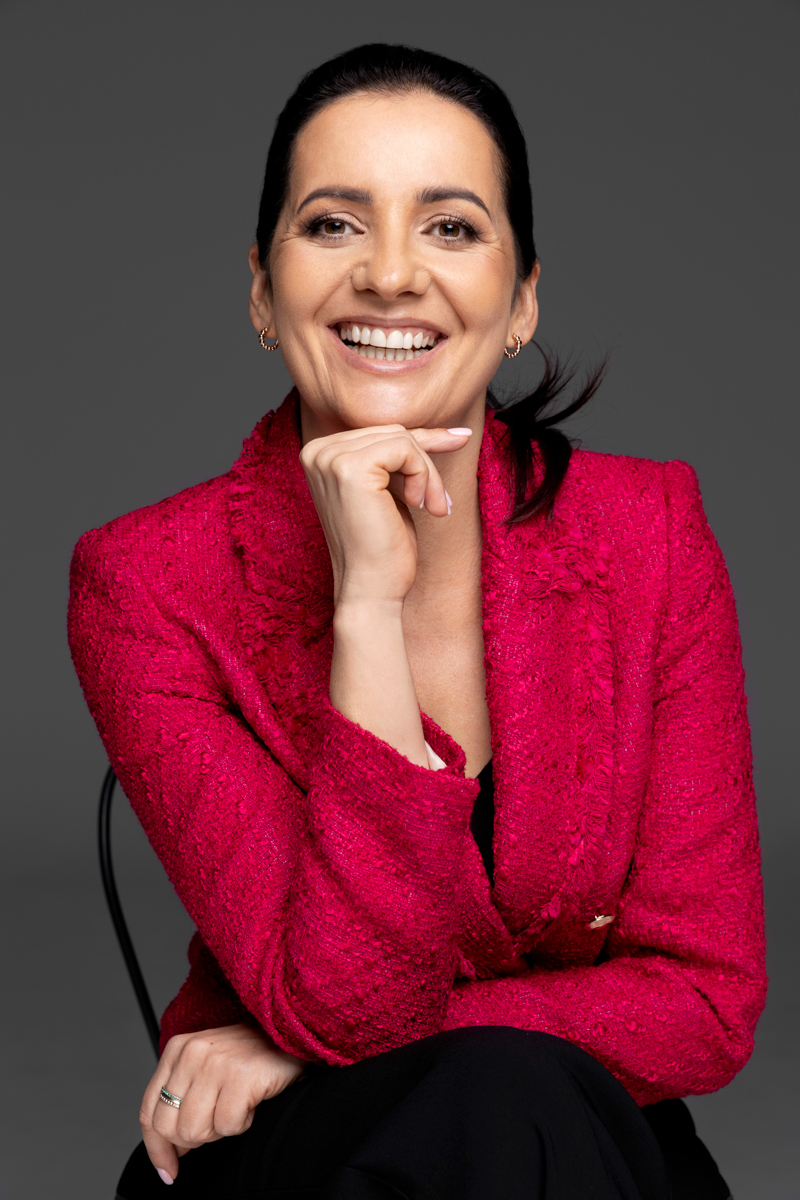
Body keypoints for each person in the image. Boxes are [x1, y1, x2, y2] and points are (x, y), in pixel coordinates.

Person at [68, 43, 766, 1200]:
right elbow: (350, 1003)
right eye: (333, 224)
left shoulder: (647, 534)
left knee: (510, 1096)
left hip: (571, 1129)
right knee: (497, 1097)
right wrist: (366, 605)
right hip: (304, 1156)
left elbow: (703, 1004)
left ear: (520, 298)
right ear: (261, 289)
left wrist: (299, 1046)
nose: (390, 274)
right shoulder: (146, 582)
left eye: (448, 227)